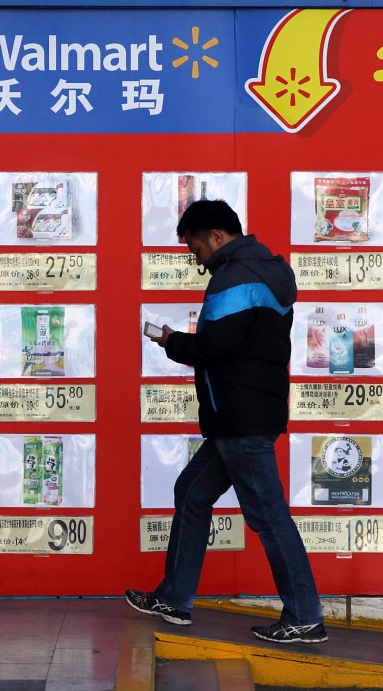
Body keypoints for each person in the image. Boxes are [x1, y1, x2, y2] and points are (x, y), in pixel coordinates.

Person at [125, 199, 327, 645]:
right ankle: (174, 599)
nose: (198, 261)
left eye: (197, 250)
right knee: (192, 492)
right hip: (244, 414)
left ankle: (305, 615)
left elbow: (212, 347)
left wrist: (170, 340)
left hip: (240, 417)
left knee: (268, 516)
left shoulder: (233, 277)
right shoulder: (269, 272)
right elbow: (237, 343)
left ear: (216, 236)